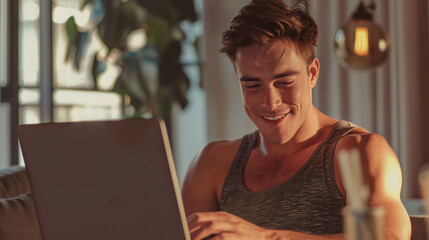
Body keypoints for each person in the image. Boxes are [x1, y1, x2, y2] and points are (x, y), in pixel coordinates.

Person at [181, 0, 411, 239]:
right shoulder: (211, 164)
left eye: (284, 82)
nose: (270, 102)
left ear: (312, 73)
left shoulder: (360, 152)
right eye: (252, 85)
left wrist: (265, 237)